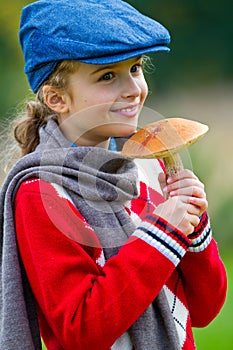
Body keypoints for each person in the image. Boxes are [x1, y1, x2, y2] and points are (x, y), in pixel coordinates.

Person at [0, 1, 227, 349]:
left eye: (135, 68)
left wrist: (193, 227)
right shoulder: (43, 193)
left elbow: (204, 308)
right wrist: (162, 234)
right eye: (108, 75)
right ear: (56, 97)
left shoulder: (149, 168)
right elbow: (81, 331)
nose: (133, 88)